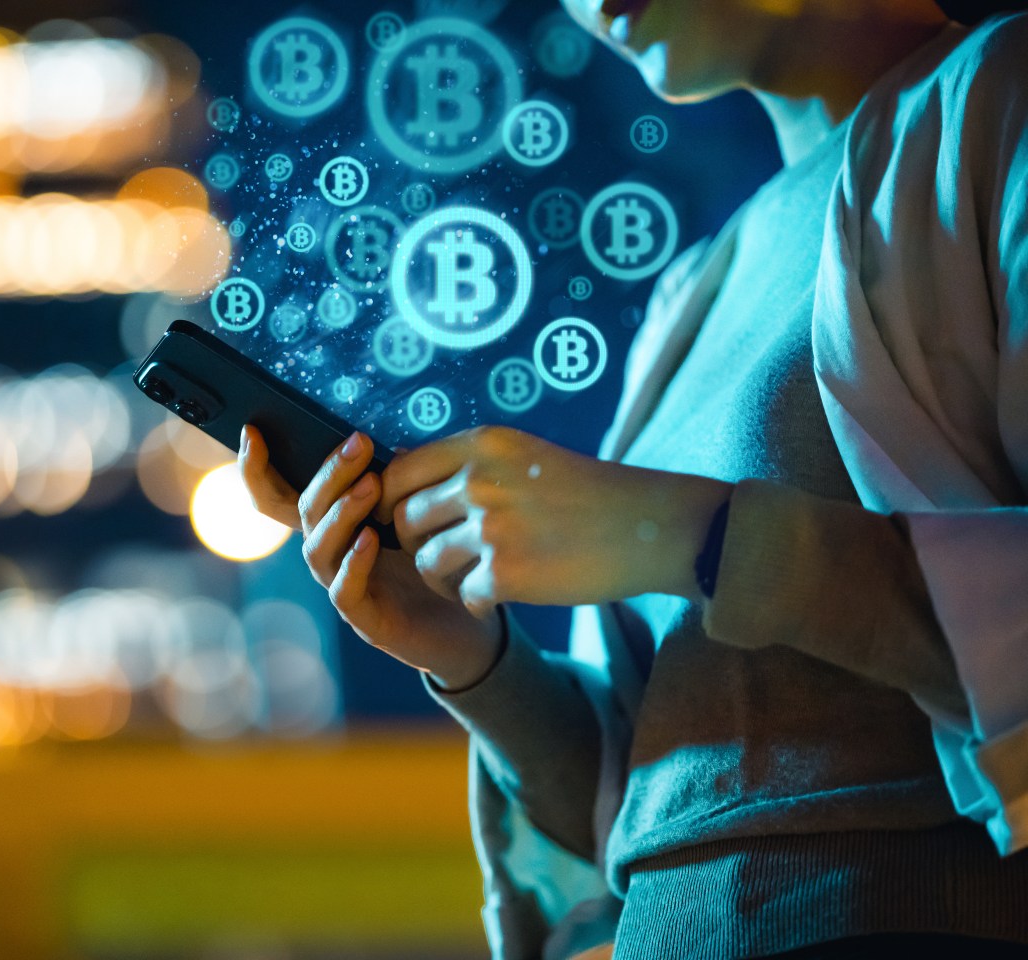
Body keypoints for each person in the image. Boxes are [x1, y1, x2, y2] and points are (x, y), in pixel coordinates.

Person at [240, 0, 1028, 957]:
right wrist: (476, 663)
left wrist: (685, 534)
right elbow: (648, 814)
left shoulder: (1000, 98)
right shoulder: (694, 288)